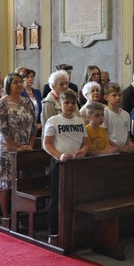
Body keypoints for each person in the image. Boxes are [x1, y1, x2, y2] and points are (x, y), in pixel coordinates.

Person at [43, 89, 88, 238]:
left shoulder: (80, 121)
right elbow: (47, 144)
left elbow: (85, 143)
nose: (70, 105)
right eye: (66, 103)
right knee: (58, 197)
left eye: (72, 103)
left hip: (76, 163)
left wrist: (83, 150)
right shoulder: (54, 120)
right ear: (60, 104)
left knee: (76, 196)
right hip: (59, 164)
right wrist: (60, 156)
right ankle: (54, 232)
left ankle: (73, 229)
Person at [0, 73, 36, 224]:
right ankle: (6, 217)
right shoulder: (3, 103)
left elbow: (34, 125)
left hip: (25, 147)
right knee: (6, 184)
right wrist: (16, 147)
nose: (19, 85)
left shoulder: (27, 101)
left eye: (20, 82)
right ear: (8, 85)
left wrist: (30, 144)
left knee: (23, 181)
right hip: (8, 149)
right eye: (15, 82)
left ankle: (21, 216)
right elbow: (3, 130)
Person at [102, 82, 134, 153]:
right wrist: (119, 148)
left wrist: (130, 144)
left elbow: (127, 135)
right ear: (106, 97)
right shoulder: (104, 113)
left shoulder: (126, 114)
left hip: (125, 149)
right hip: (112, 150)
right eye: (114, 95)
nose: (118, 98)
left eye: (120, 95)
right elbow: (104, 136)